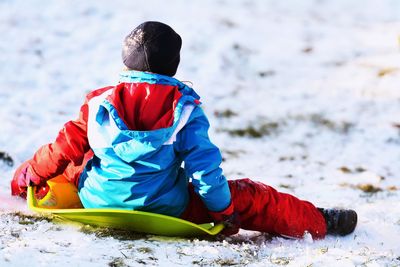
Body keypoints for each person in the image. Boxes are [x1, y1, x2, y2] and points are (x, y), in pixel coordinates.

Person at [11, 21, 357, 238]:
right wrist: (222, 211)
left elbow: (60, 149)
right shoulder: (185, 110)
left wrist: (26, 178)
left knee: (79, 155)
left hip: (97, 198)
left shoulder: (100, 103)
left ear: (124, 61)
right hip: (166, 208)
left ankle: (24, 178)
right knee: (252, 196)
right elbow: (204, 170)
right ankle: (320, 222)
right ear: (174, 65)